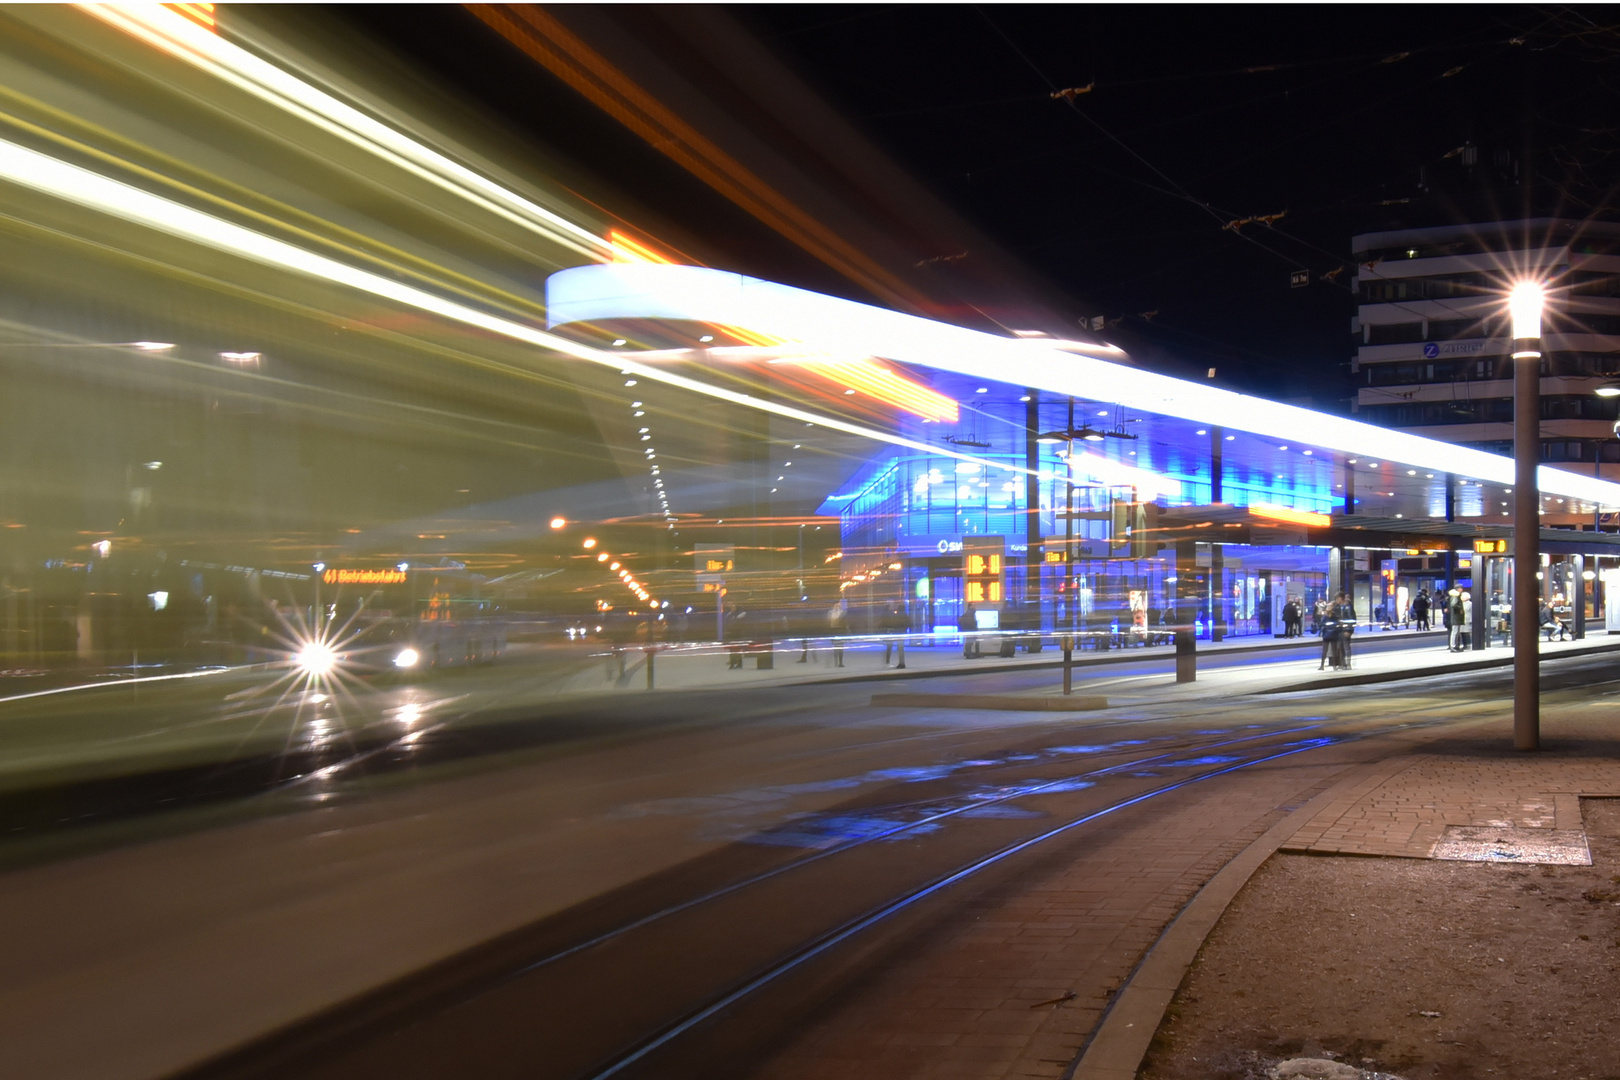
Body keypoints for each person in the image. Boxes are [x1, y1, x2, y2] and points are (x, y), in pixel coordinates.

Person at [827, 603, 847, 667]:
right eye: (836, 605)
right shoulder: (831, 613)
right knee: (837, 648)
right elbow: (828, 621)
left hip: (839, 631)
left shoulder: (841, 613)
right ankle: (837, 662)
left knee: (840, 648)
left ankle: (839, 662)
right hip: (835, 631)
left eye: (838, 606)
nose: (837, 607)